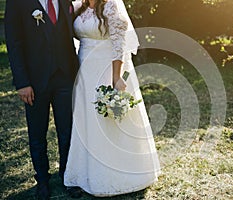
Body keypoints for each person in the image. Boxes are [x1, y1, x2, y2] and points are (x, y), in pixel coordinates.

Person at [64, 0, 161, 197]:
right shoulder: (78, 7)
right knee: (87, 119)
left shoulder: (110, 6)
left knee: (109, 119)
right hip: (84, 70)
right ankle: (87, 171)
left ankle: (118, 173)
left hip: (106, 67)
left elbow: (119, 44)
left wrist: (116, 77)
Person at [5, 0, 81, 199]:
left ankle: (68, 176)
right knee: (38, 134)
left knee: (68, 130)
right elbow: (13, 43)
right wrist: (22, 83)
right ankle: (43, 182)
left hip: (65, 76)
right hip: (35, 81)